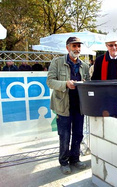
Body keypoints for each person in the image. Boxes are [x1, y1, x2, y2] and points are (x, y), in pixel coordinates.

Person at [47, 37, 90, 175]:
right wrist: (65, 84)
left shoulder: (85, 65)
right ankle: (64, 162)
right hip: (63, 106)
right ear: (67, 48)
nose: (77, 49)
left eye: (79, 46)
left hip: (79, 106)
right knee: (65, 135)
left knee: (78, 134)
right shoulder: (57, 62)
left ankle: (75, 159)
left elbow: (88, 82)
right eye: (74, 46)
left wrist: (85, 83)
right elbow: (50, 82)